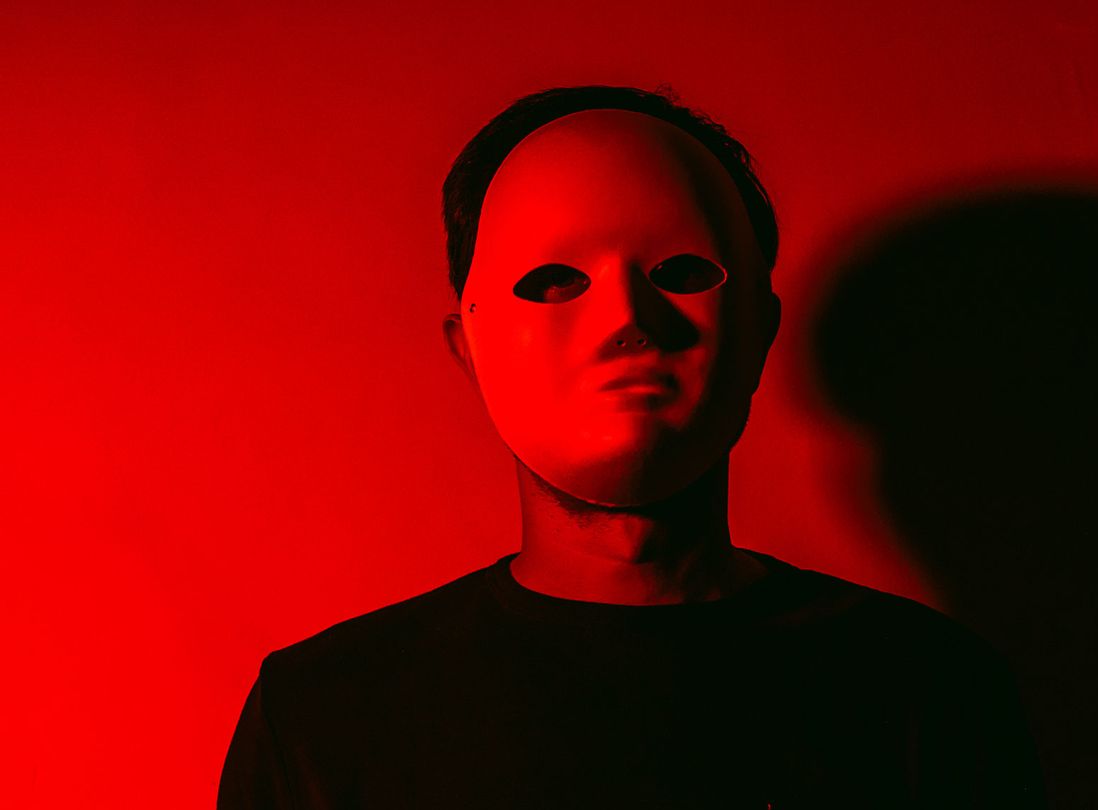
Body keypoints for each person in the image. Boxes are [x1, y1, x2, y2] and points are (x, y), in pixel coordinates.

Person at [218, 85, 1045, 809]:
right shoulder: (327, 716)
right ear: (466, 345)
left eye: (681, 273)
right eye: (554, 281)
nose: (627, 321)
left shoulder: (931, 695)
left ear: (759, 327)